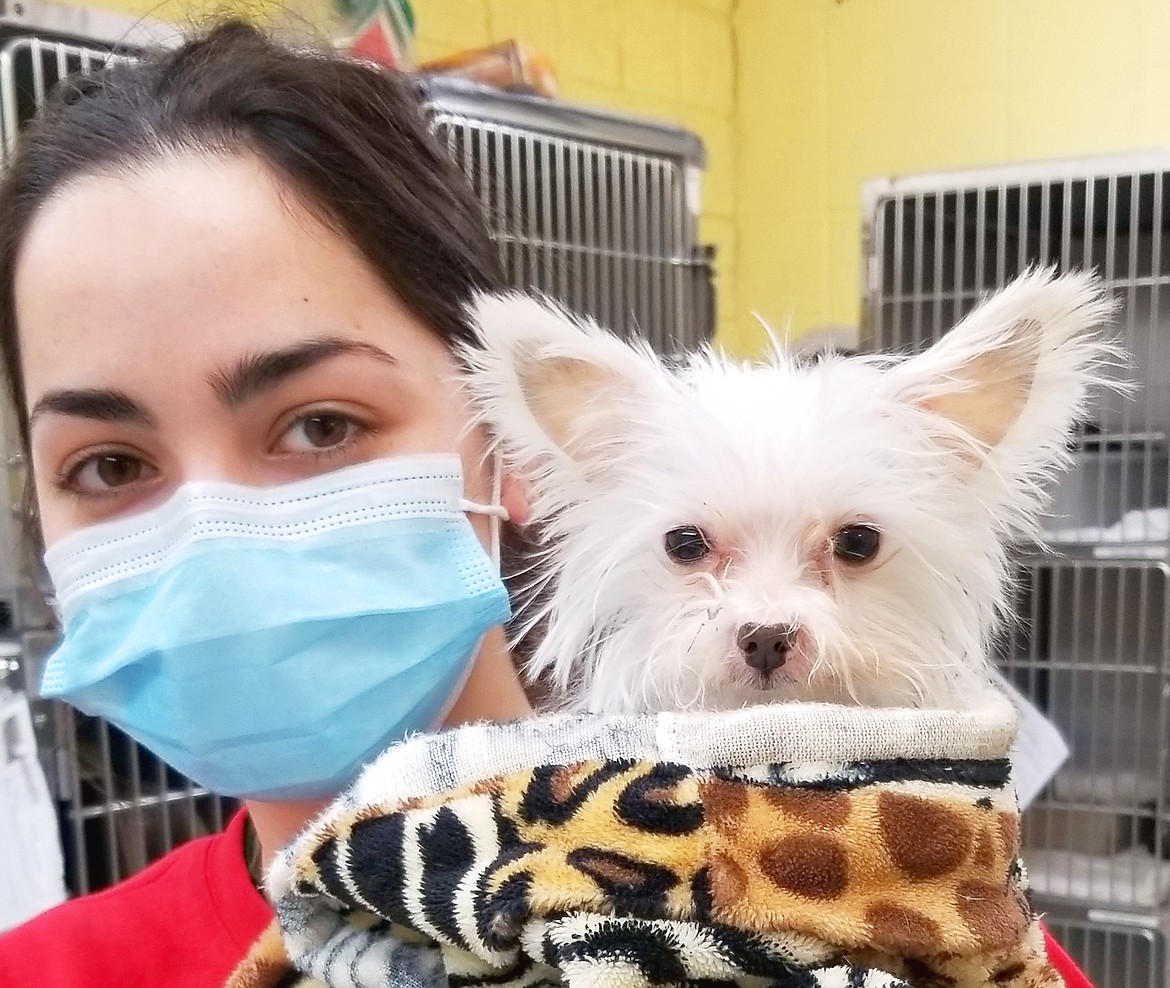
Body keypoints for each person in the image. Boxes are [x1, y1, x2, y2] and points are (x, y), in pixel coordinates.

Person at [0, 21, 1092, 988]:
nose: (211, 528)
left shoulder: (942, 910)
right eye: (106, 462)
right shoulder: (46, 970)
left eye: (321, 422)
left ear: (508, 445)